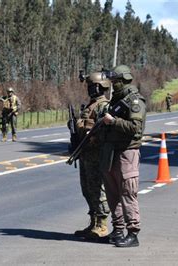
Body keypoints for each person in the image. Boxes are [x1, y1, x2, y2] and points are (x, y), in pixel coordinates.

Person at [100, 65, 146, 248]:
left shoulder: (134, 101)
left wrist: (114, 121)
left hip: (127, 152)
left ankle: (133, 233)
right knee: (112, 193)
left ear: (122, 81)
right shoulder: (116, 101)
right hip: (112, 152)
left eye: (115, 82)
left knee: (127, 193)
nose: (112, 85)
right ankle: (118, 230)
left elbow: (136, 128)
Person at [73, 72, 111, 240]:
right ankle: (93, 222)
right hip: (85, 153)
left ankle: (102, 224)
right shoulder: (91, 105)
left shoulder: (104, 106)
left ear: (98, 87)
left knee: (97, 189)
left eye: (91, 86)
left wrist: (87, 129)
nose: (89, 89)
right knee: (87, 189)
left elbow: (105, 130)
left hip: (96, 154)